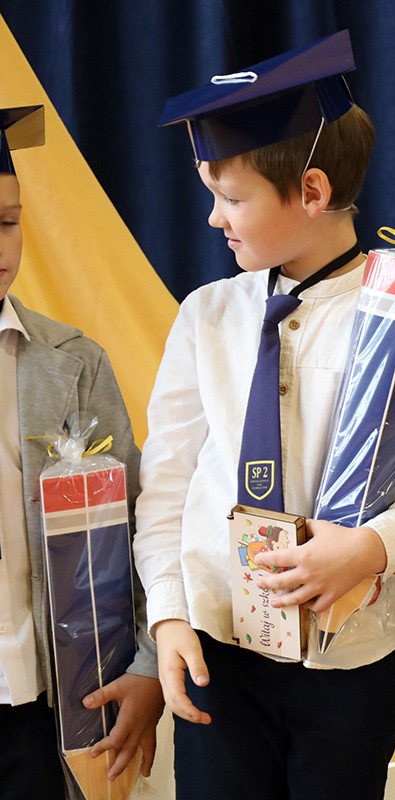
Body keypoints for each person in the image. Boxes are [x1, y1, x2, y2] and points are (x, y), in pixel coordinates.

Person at [133, 31, 395, 799]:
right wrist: (169, 617)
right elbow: (167, 488)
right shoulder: (206, 316)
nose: (216, 219)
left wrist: (369, 548)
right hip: (219, 652)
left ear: (312, 191)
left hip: (347, 660)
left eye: (232, 199)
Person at [0, 105, 163, 799]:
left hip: (45, 699)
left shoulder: (72, 364)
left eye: (7, 221)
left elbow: (136, 524)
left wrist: (150, 662)